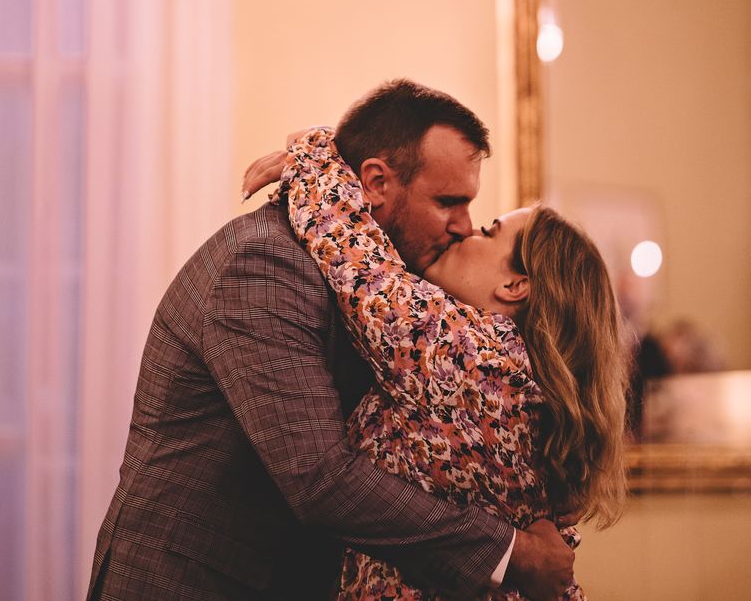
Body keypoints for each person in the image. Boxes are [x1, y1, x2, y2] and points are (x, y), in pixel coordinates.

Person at [87, 80, 575, 601]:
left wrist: (315, 157)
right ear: (376, 182)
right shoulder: (265, 265)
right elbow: (319, 479)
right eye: (448, 201)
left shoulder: (374, 285)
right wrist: (509, 552)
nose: (464, 226)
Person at [251, 125, 628, 599]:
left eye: (490, 231)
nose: (468, 229)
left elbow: (348, 251)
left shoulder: (472, 355)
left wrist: (318, 149)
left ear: (515, 286)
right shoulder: (522, 383)